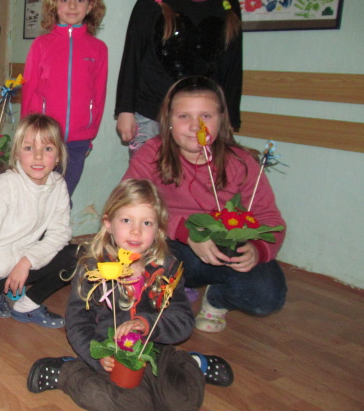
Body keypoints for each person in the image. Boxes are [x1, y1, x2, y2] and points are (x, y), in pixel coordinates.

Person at [27, 179, 233, 411]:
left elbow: (183, 321)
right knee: (136, 410)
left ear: (159, 229)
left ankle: (194, 364)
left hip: (156, 351)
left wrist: (146, 324)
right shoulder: (93, 269)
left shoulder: (166, 268)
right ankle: (66, 372)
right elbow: (77, 323)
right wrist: (96, 355)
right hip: (112, 354)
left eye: (146, 223)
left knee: (182, 408)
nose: (136, 231)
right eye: (126, 220)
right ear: (108, 224)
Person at [123, 76, 287, 332]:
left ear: (221, 119)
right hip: (169, 243)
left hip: (223, 249)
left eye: (206, 116)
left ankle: (217, 298)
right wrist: (185, 231)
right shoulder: (151, 154)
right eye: (183, 116)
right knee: (137, 273)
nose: (195, 126)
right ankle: (174, 290)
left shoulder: (241, 162)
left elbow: (270, 219)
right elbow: (126, 206)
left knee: (267, 296)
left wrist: (258, 249)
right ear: (168, 120)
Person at [115, 0, 242, 155]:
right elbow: (133, 55)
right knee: (148, 180)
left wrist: (231, 118)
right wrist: (125, 110)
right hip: (151, 115)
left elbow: (232, 65)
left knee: (196, 180)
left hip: (202, 120)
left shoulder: (229, 3)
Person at [0, 114, 77, 346]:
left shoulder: (57, 185)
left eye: (47, 148)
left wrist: (27, 261)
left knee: (77, 255)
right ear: (17, 154)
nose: (38, 156)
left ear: (58, 156)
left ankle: (27, 305)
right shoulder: (4, 185)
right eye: (29, 148)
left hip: (19, 266)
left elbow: (60, 233)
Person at [21, 0, 108, 196]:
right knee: (38, 196)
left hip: (78, 142)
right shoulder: (41, 45)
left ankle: (60, 222)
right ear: (54, 4)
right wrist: (27, 137)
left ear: (90, 6)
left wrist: (89, 134)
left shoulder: (98, 49)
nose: (72, 6)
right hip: (43, 139)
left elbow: (99, 95)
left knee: (63, 197)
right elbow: (29, 91)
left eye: (80, 0)